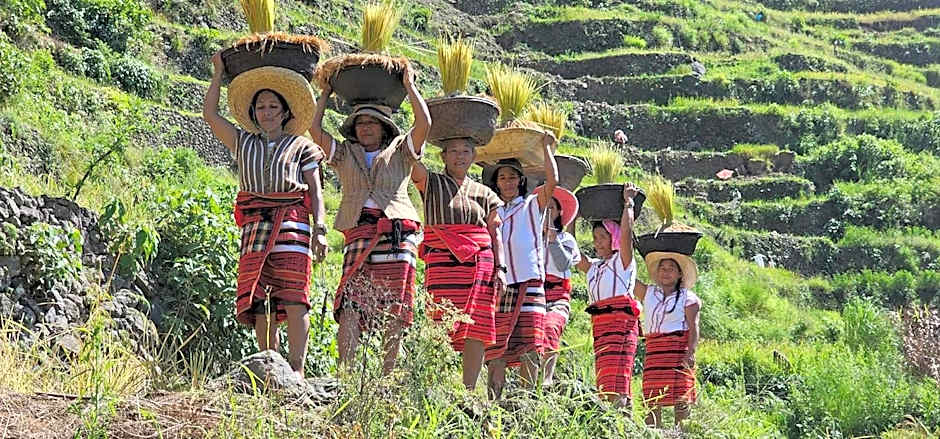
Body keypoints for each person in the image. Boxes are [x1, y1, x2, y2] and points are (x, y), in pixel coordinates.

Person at [202, 51, 328, 377]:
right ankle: (269, 366)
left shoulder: (302, 146)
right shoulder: (243, 142)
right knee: (262, 300)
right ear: (253, 113)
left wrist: (321, 229)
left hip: (293, 225)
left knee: (295, 295)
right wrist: (218, 72)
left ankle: (297, 370)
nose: (267, 112)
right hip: (255, 228)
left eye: (273, 106)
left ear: (285, 112)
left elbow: (315, 191)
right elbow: (210, 115)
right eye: (261, 107)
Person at [308, 63, 431, 374]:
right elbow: (314, 130)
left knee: (395, 310)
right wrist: (325, 94)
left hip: (396, 234)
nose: (365, 128)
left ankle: (387, 378)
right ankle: (346, 375)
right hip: (359, 230)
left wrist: (410, 86)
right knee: (349, 304)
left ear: (384, 127)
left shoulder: (401, 151)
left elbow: (424, 124)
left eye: (372, 123)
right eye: (360, 123)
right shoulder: (345, 153)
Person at [411, 137, 504, 390]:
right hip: (442, 262)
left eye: (465, 151)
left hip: (480, 264)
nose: (459, 156)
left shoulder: (486, 193)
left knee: (477, 325)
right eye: (453, 151)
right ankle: (434, 385)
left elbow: (496, 232)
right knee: (439, 320)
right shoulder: (431, 182)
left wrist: (502, 269)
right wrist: (419, 133)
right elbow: (411, 158)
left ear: (474, 156)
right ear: (442, 156)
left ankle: (469, 390)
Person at [484, 134, 559, 398]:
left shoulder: (531, 205)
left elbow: (553, 182)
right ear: (495, 182)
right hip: (501, 285)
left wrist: (546, 148)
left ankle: (526, 403)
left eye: (513, 177)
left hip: (530, 282)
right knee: (497, 348)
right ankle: (493, 402)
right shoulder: (492, 211)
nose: (508, 182)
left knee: (530, 346)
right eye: (502, 177)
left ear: (521, 180)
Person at [574, 183, 641, 409]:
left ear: (613, 237)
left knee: (618, 376)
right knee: (605, 377)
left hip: (620, 323)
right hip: (601, 326)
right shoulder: (594, 267)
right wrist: (572, 214)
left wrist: (627, 204)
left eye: (602, 236)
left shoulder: (623, 262)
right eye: (594, 238)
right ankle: (619, 420)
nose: (597, 243)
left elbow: (627, 236)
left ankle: (620, 418)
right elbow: (573, 252)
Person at [635, 245, 701, 428]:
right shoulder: (648, 293)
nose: (666, 272)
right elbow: (627, 274)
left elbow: (694, 328)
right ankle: (652, 432)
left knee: (681, 398)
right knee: (651, 396)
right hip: (655, 353)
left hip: (678, 352)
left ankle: (682, 433)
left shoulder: (689, 298)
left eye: (671, 269)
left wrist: (691, 353)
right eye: (662, 268)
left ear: (680, 274)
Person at [540, 189, 581, 386]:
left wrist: (552, 239)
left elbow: (564, 264)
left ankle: (546, 380)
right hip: (534, 292)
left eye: (551, 208)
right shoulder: (531, 237)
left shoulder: (567, 240)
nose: (547, 212)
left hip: (557, 296)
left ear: (559, 213)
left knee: (550, 327)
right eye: (544, 207)